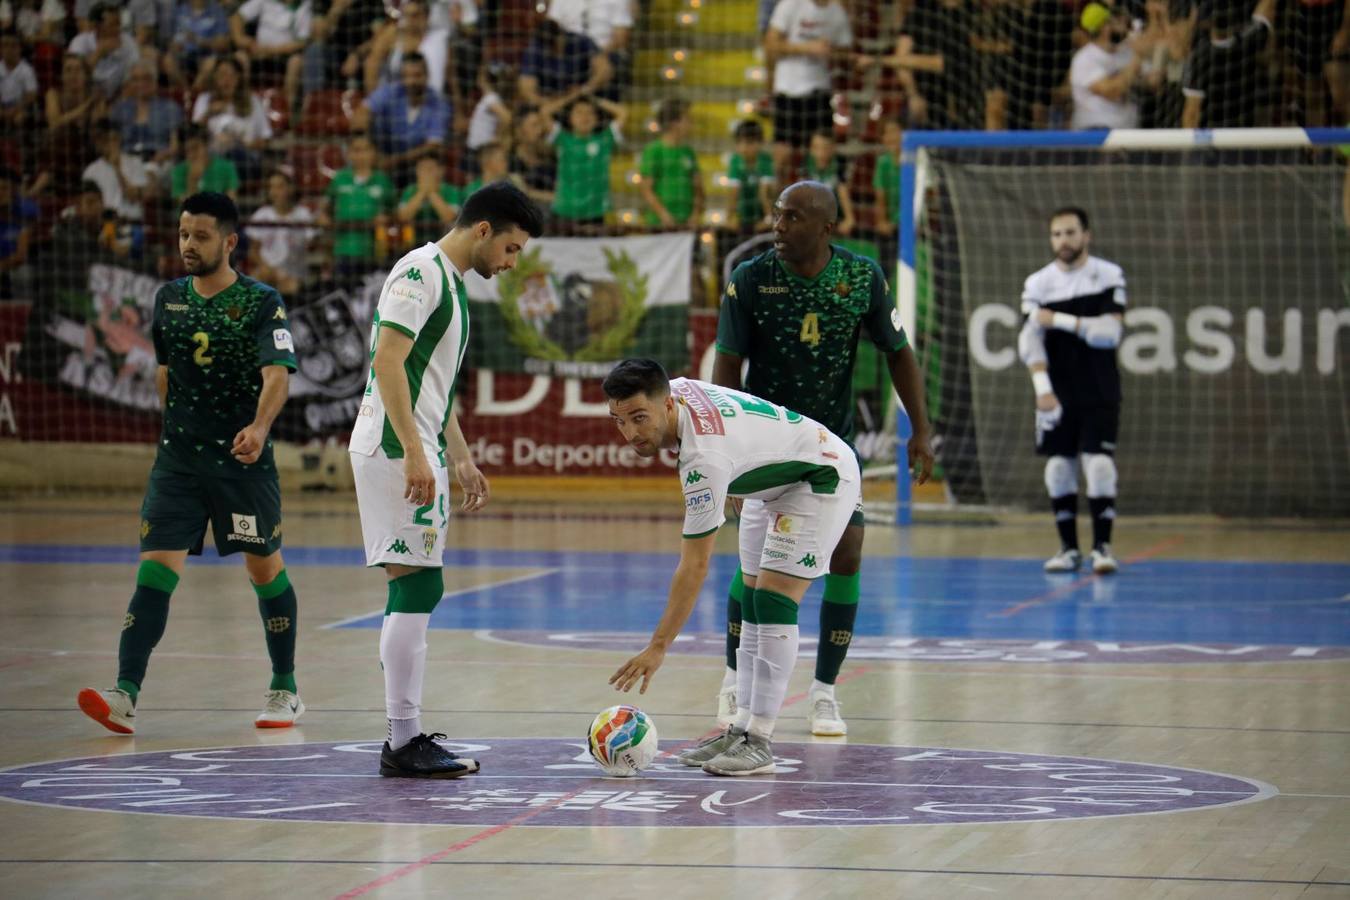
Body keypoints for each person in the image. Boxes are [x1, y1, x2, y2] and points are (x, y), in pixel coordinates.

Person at [710, 180, 935, 736]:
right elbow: (725, 369)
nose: (777, 226)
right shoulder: (752, 280)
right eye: (776, 215)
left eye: (791, 218)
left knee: (850, 552)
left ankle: (825, 692)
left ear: (825, 227)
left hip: (831, 449)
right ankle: (734, 678)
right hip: (763, 446)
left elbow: (900, 354)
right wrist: (724, 453)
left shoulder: (861, 278)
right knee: (757, 568)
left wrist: (921, 431)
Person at [77, 191, 305, 735]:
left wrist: (259, 427)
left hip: (241, 464)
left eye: (200, 236)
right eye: (183, 234)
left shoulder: (261, 301)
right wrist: (176, 432)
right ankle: (124, 693)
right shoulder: (167, 298)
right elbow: (164, 373)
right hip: (178, 462)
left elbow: (278, 375)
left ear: (229, 242)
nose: (188, 244)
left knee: (264, 569)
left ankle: (285, 688)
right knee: (155, 570)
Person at [349, 181, 543, 777]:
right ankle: (402, 742)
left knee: (418, 588)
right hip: (394, 446)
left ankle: (403, 737)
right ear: (482, 230)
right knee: (416, 587)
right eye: (511, 249)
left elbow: (430, 384)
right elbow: (386, 360)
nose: (512, 264)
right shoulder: (420, 271)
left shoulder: (451, 285)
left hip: (418, 445)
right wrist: (412, 449)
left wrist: (458, 456)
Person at [604, 359, 863, 775]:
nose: (631, 433)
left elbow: (695, 566)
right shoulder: (678, 391)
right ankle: (740, 728)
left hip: (819, 475)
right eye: (619, 420)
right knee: (752, 601)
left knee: (775, 599)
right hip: (771, 481)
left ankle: (759, 741)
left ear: (668, 405)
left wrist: (658, 647)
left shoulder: (703, 459)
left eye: (640, 418)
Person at [1017, 206, 1125, 575]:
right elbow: (1030, 337)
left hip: (1099, 388)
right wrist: (1042, 388)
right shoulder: (1038, 283)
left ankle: (1102, 547)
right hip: (1056, 390)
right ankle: (1068, 549)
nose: (1063, 240)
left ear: (1086, 235)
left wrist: (1060, 319)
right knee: (1058, 468)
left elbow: (1109, 333)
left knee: (1099, 464)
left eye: (1070, 232)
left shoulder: (1108, 275)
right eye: (1057, 234)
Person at [765, 0, 853, 152]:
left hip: (820, 90)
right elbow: (771, 44)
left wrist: (830, 51)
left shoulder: (837, 12)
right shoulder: (790, 5)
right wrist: (807, 48)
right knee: (783, 153)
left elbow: (846, 52)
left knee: (821, 151)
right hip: (788, 89)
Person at [353, 52, 452, 183]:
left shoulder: (439, 104)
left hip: (413, 164)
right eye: (406, 76)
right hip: (380, 155)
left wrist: (394, 161)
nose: (411, 81)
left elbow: (433, 146)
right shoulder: (390, 92)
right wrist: (370, 148)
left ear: (427, 76)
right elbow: (361, 114)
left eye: (417, 75)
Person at [1180, 0, 1276, 129]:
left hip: (1211, 141)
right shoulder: (1249, 42)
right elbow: (1264, 14)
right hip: (1247, 135)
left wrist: (1188, 148)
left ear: (1208, 22)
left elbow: (1191, 114)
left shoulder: (1199, 58)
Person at [549, 94, 625, 231]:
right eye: (579, 112)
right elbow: (545, 112)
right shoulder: (562, 138)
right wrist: (570, 98)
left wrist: (595, 99)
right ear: (570, 118)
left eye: (590, 113)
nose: (585, 116)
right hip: (565, 210)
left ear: (596, 119)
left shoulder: (605, 139)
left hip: (596, 210)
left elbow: (623, 112)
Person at [247, 167, 317, 296]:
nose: (274, 192)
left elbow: (305, 249)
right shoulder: (262, 215)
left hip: (293, 271)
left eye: (280, 187)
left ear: (291, 188)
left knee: (290, 287)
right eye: (271, 187)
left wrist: (284, 271)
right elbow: (253, 251)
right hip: (266, 269)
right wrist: (267, 267)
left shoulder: (303, 214)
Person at [1070, 2, 1141, 130]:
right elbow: (1112, 91)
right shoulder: (1084, 59)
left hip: (1128, 131)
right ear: (1104, 27)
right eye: (1113, 21)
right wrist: (1138, 58)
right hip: (1095, 134)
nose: (1120, 24)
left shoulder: (1125, 52)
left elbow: (1152, 82)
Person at [638, 98, 701, 230]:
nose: (691, 123)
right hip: (659, 223)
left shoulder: (688, 152)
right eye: (687, 119)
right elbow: (646, 188)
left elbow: (698, 187)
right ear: (674, 123)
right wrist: (663, 214)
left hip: (687, 222)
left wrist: (695, 214)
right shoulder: (654, 150)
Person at [397, 151, 461, 247]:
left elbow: (449, 217)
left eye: (430, 169)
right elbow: (403, 217)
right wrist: (421, 193)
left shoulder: (451, 190)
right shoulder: (410, 190)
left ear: (441, 170)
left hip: (444, 243)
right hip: (412, 244)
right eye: (422, 168)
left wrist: (431, 193)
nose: (426, 172)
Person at [727, 119, 774, 234]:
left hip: (762, 216)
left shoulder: (765, 161)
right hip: (743, 219)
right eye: (739, 143)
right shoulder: (735, 161)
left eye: (749, 143)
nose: (743, 147)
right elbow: (733, 193)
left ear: (760, 143)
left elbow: (765, 194)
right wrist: (729, 218)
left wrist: (769, 219)